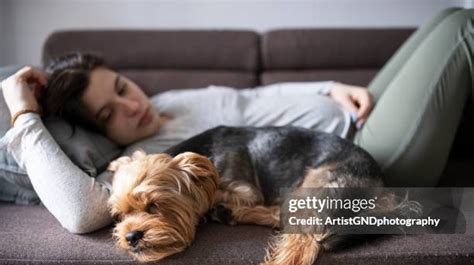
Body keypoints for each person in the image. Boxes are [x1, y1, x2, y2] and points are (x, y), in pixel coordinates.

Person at [1, 8, 472, 234]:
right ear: (102, 132)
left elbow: (251, 99)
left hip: (356, 109)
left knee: (447, 13)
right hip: (367, 156)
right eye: (110, 113)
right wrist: (24, 114)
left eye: (122, 87)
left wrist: (328, 88)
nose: (132, 106)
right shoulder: (149, 161)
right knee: (462, 27)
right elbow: (83, 213)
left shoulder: (171, 97)